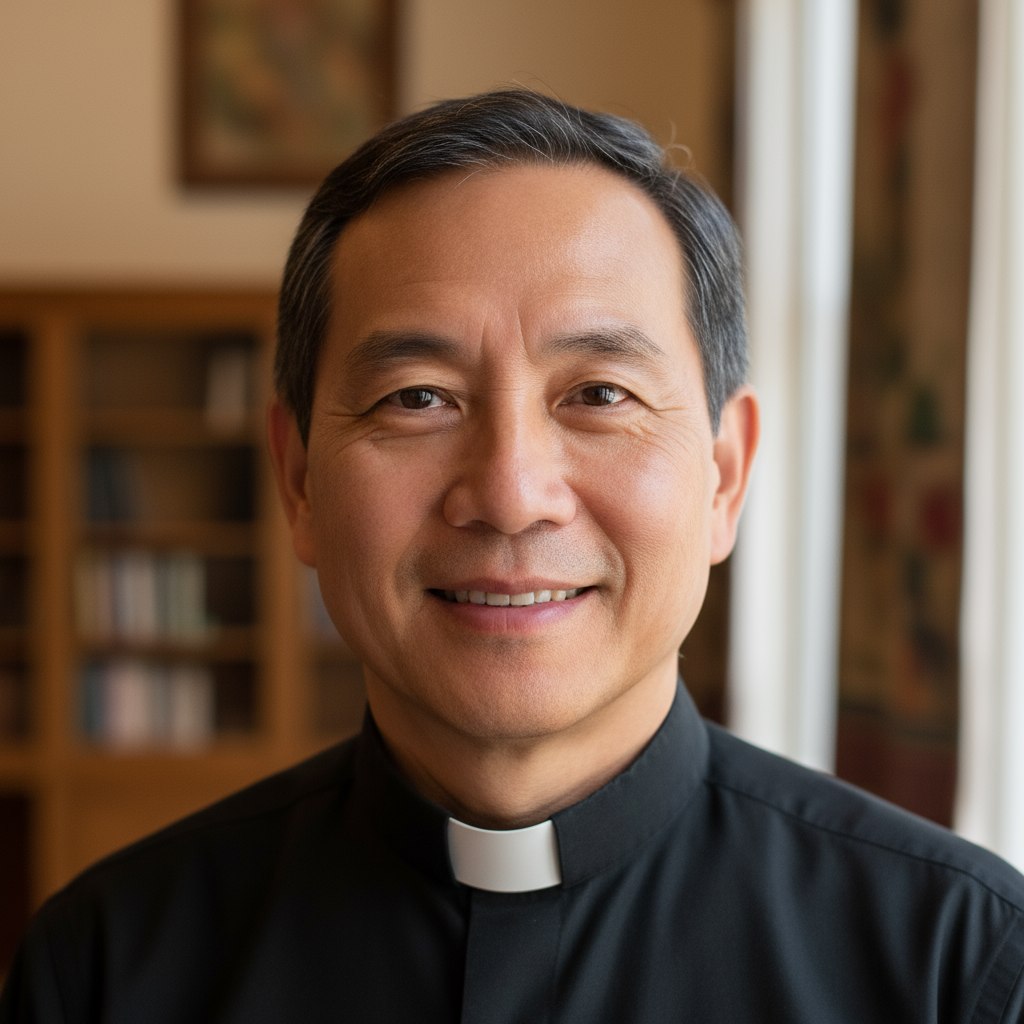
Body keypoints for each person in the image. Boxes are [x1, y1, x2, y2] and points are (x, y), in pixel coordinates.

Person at [2, 89, 1023, 1024]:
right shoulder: (103, 971)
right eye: (417, 398)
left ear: (723, 476)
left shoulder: (959, 967)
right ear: (299, 478)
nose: (509, 493)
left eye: (600, 394)